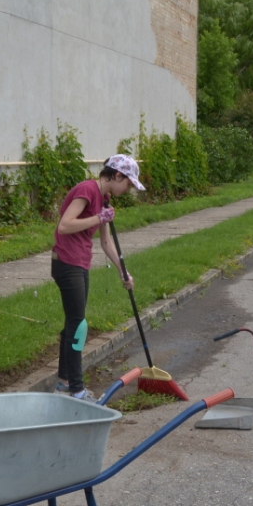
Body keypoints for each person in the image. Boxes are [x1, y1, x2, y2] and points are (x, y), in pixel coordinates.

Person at [52, 154, 144, 400]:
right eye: (128, 183)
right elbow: (64, 225)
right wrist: (98, 218)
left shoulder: (103, 198)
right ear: (116, 175)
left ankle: (63, 382)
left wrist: (122, 270)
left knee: (73, 324)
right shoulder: (87, 189)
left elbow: (105, 241)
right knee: (78, 325)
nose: (128, 189)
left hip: (80, 263)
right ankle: (77, 390)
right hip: (66, 263)